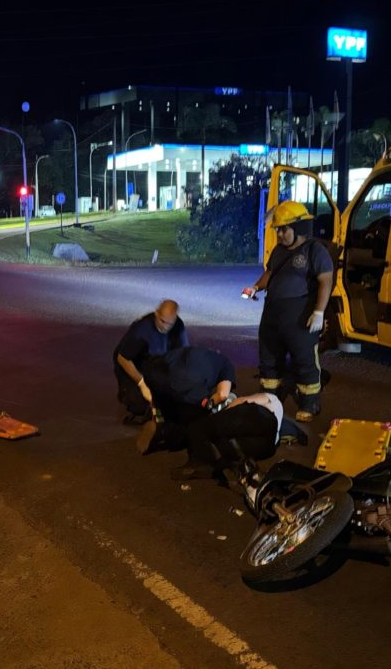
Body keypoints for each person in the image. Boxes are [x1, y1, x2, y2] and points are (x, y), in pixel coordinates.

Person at [247, 201, 334, 422]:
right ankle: (269, 399)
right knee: (268, 359)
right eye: (277, 229)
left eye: (283, 229)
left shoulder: (315, 250)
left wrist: (319, 312)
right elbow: (270, 274)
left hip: (300, 316)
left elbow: (326, 281)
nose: (279, 234)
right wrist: (255, 287)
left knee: (304, 360)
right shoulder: (278, 251)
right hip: (273, 314)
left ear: (300, 227)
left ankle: (310, 403)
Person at [138, 345, 236, 457]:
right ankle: (169, 435)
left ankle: (161, 426)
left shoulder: (199, 352)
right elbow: (223, 395)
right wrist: (210, 405)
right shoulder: (226, 365)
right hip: (187, 381)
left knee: (170, 410)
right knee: (197, 421)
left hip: (156, 371)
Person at [176, 391, 284, 481]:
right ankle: (213, 463)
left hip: (260, 417)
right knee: (225, 446)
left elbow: (240, 401)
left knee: (197, 427)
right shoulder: (279, 418)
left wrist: (222, 413)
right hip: (268, 447)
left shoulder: (271, 398)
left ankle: (201, 463)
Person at [113, 299, 189, 423]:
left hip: (156, 363)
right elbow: (123, 358)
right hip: (132, 365)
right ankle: (127, 395)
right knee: (139, 405)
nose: (165, 326)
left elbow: (182, 356)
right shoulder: (141, 330)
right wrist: (142, 383)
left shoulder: (178, 326)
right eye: (162, 321)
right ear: (157, 314)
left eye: (170, 323)